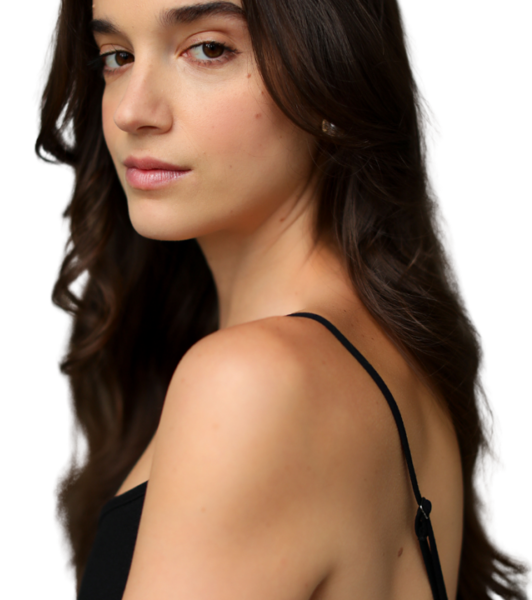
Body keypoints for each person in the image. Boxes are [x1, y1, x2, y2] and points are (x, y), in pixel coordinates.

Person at [33, 0, 532, 598]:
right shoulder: (375, 356)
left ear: (332, 73)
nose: (132, 112)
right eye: (117, 57)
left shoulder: (254, 382)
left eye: (209, 49)